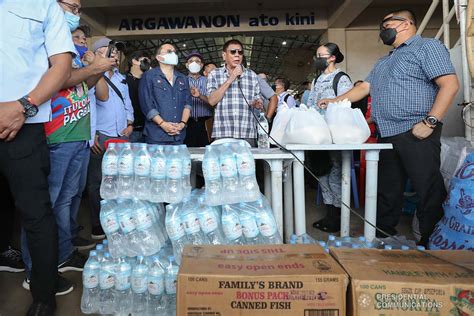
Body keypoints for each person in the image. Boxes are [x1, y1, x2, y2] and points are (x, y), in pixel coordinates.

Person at [318, 9, 459, 246]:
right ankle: (382, 236)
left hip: (417, 131)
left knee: (428, 189)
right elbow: (364, 89)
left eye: (387, 24)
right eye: (381, 27)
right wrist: (334, 101)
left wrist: (430, 122)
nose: (383, 30)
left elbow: (450, 84)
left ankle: (432, 243)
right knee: (387, 190)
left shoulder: (427, 48)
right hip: (387, 134)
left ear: (406, 24)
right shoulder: (385, 60)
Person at [0, 0, 75, 313]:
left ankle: (44, 297)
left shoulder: (44, 6)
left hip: (22, 125)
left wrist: (23, 106)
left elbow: (61, 65)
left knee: (36, 214)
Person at [87, 37, 134, 240]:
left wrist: (130, 123)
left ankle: (118, 221)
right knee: (97, 182)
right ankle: (98, 225)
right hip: (102, 135)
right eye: (109, 51)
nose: (114, 54)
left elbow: (127, 102)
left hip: (121, 136)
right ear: (97, 54)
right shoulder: (89, 75)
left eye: (115, 52)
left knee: (121, 181)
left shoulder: (120, 78)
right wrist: (91, 135)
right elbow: (88, 105)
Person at [307, 42, 353, 233]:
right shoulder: (317, 80)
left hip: (336, 134)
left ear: (332, 57)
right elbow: (310, 103)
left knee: (336, 174)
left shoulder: (341, 78)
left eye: (322, 55)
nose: (318, 59)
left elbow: (346, 103)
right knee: (322, 174)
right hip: (319, 135)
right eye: (316, 55)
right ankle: (330, 215)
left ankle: (339, 217)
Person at [207, 39, 262, 146]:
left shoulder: (252, 75)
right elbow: (212, 101)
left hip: (247, 132)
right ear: (224, 55)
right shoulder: (214, 74)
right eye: (233, 52)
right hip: (223, 132)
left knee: (247, 163)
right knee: (224, 163)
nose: (237, 55)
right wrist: (231, 78)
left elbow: (257, 98)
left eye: (240, 52)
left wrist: (257, 103)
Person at [139, 43, 192, 145]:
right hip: (156, 135)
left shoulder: (183, 78)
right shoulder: (149, 76)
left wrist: (182, 124)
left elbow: (187, 104)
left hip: (178, 135)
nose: (173, 54)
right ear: (159, 57)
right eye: (169, 51)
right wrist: (163, 124)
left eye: (174, 52)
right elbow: (147, 104)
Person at [184, 51, 212, 147]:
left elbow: (213, 101)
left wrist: (200, 95)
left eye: (197, 61)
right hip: (187, 124)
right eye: (191, 61)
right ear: (187, 65)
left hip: (205, 124)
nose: (194, 63)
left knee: (205, 152)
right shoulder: (181, 81)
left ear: (201, 65)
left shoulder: (208, 81)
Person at [126, 51, 151, 143]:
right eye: (145, 59)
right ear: (134, 61)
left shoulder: (149, 80)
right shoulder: (123, 80)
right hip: (130, 129)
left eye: (149, 60)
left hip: (147, 128)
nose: (148, 62)